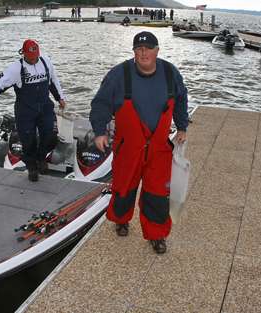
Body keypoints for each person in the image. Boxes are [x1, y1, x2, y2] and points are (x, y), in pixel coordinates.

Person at [89, 31, 188, 254]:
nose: (143, 52)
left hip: (159, 149)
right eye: (139, 48)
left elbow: (181, 99)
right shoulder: (118, 75)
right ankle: (121, 220)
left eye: (148, 48)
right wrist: (99, 132)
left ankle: (157, 234)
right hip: (127, 147)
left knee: (157, 195)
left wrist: (182, 126)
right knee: (123, 189)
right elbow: (100, 104)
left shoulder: (171, 73)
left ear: (157, 51)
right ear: (134, 52)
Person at [0, 39, 66, 182]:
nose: (34, 59)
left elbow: (53, 80)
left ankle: (41, 158)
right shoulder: (16, 68)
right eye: (31, 57)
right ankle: (31, 166)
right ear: (24, 54)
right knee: (28, 141)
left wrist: (60, 97)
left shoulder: (46, 61)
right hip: (25, 110)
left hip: (45, 106)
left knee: (51, 135)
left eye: (36, 56)